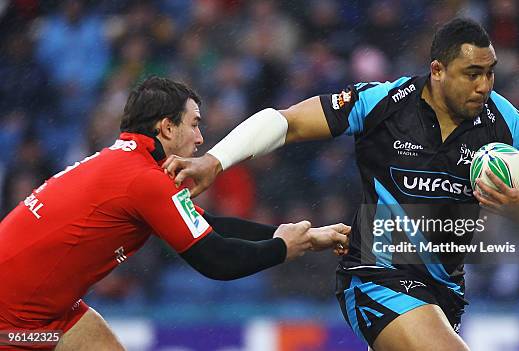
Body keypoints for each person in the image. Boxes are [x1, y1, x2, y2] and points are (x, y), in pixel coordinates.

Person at [163, 18, 519, 351]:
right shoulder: (384, 103)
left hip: (445, 291)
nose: (484, 86)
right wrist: (215, 161)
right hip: (376, 275)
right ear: (436, 70)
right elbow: (286, 122)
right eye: (472, 74)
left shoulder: (508, 125)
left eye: (490, 73)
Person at [0, 77, 350, 351]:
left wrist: (301, 236)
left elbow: (209, 226)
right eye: (194, 124)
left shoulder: (128, 164)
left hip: (45, 304)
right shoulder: (143, 180)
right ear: (167, 128)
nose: (200, 138)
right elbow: (217, 260)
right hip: (13, 314)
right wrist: (282, 249)